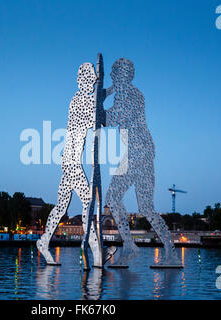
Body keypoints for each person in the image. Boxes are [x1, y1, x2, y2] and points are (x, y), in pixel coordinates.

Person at [104, 58, 179, 266]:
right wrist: (107, 92)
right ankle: (170, 254)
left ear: (122, 76)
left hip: (137, 154)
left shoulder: (130, 95)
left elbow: (112, 118)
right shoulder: (129, 93)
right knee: (146, 208)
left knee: (113, 196)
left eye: (113, 74)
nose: (110, 77)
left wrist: (97, 105)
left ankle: (130, 246)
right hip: (141, 153)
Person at [37, 63, 102, 268]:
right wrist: (105, 91)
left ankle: (44, 241)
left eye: (92, 82)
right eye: (88, 81)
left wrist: (104, 89)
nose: (90, 85)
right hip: (71, 162)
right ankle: (95, 250)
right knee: (88, 202)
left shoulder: (87, 98)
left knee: (61, 205)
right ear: (80, 81)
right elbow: (97, 118)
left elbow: (97, 107)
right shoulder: (79, 101)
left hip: (69, 161)